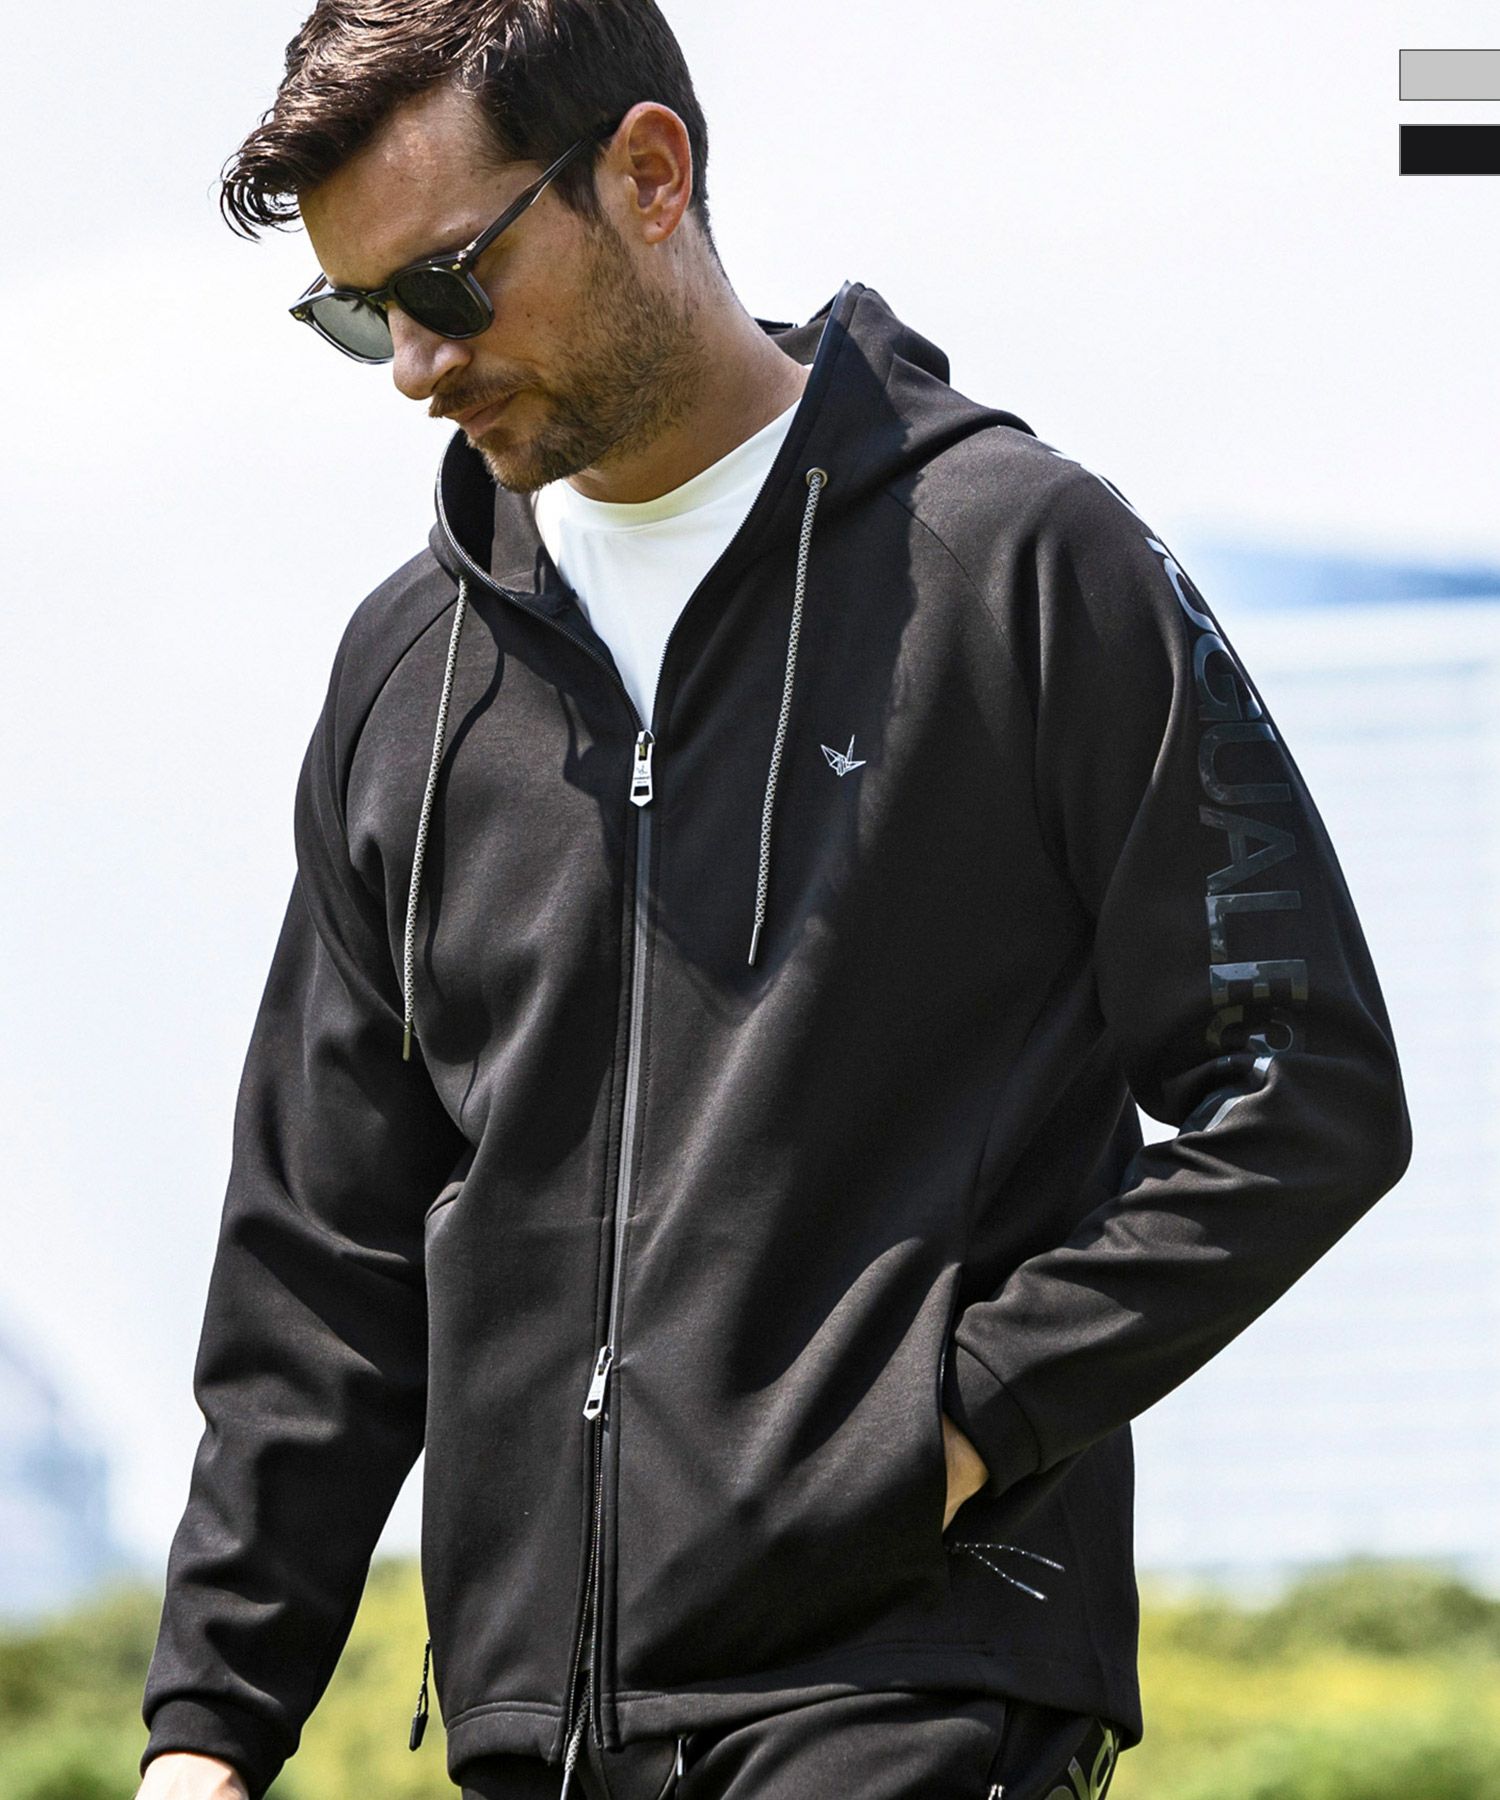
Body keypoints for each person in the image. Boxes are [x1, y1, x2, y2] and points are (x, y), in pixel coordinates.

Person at [134, 4, 1412, 1798]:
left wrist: (943, 1434)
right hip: (536, 1736)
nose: (415, 365)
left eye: (445, 284)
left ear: (649, 175)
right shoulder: (410, 677)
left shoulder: (1017, 563)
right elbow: (321, 1261)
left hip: (907, 1689)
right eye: (360, 315)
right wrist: (206, 1734)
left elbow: (1305, 1095)